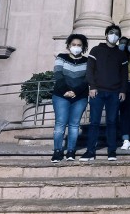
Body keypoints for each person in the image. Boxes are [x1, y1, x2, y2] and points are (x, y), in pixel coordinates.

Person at [79, 25, 128, 162]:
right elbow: (90, 70)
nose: (114, 35)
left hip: (115, 93)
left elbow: (124, 75)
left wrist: (123, 90)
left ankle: (111, 151)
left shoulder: (121, 54)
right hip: (97, 92)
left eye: (117, 34)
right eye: (111, 33)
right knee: (94, 122)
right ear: (106, 34)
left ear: (119, 38)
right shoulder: (96, 50)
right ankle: (90, 152)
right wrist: (92, 86)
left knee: (112, 122)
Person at [51, 34, 89, 163]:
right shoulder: (61, 57)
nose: (76, 47)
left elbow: (87, 79)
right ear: (68, 46)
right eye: (74, 45)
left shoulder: (87, 61)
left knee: (74, 125)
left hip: (80, 97)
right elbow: (58, 74)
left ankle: (71, 151)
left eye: (79, 45)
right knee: (60, 124)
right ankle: (57, 151)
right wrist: (66, 91)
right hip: (60, 96)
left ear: (83, 47)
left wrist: (75, 92)